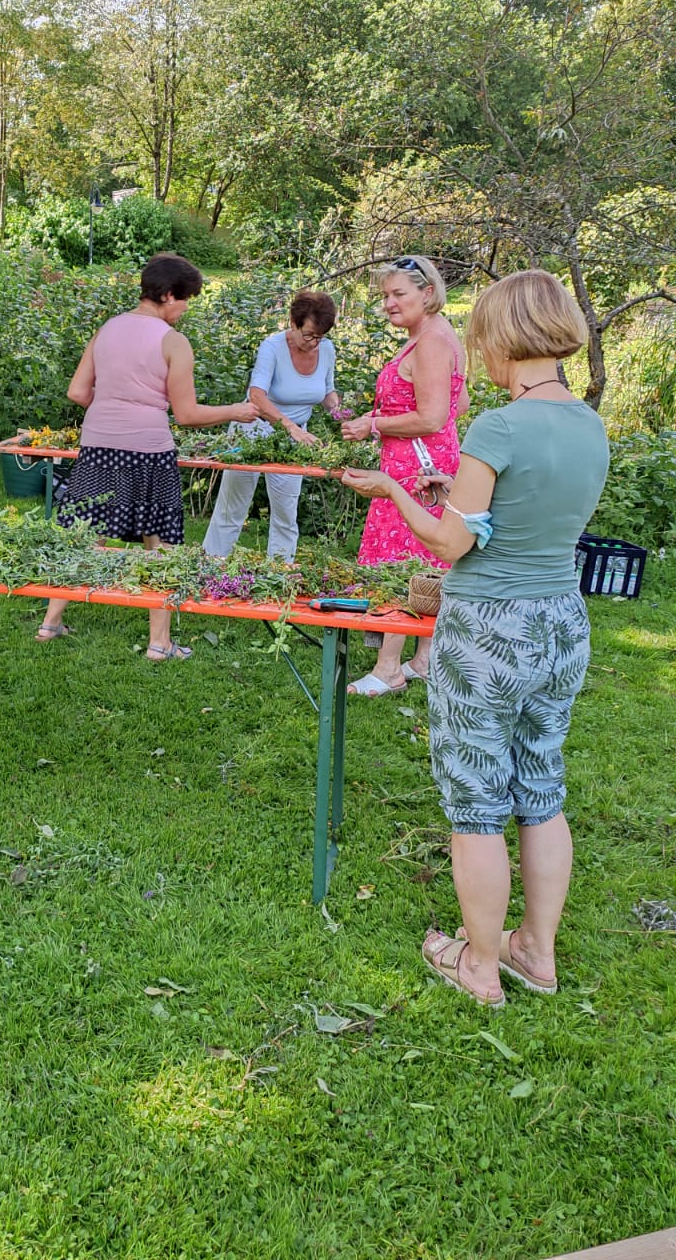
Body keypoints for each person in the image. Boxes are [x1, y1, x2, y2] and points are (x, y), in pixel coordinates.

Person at [340, 270, 609, 1007]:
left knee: (477, 805)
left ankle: (480, 965)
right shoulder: (589, 422)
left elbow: (453, 544)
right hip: (561, 620)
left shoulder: (500, 426)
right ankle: (537, 953)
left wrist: (393, 489)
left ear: (502, 336)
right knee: (541, 788)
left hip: (491, 626)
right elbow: (527, 513)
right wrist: (453, 489)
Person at [36, 252, 257, 660]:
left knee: (86, 535)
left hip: (98, 445)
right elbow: (187, 414)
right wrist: (235, 411)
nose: (186, 309)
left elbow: (78, 393)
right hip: (149, 452)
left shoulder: (108, 329)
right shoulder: (173, 342)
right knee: (161, 544)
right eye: (186, 299)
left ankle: (49, 624)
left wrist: (114, 412)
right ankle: (159, 644)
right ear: (169, 295)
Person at [340, 255, 467, 696]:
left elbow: (432, 416)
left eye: (398, 294)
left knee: (402, 559)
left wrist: (374, 424)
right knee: (427, 557)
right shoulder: (439, 334)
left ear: (427, 293)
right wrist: (386, 419)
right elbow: (458, 407)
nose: (389, 304)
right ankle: (425, 659)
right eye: (385, 296)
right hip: (431, 459)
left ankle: (389, 667)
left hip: (415, 469)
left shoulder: (430, 342)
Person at [202, 289, 341, 561]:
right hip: (253, 429)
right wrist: (290, 428)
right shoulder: (273, 347)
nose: (314, 343)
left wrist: (340, 414)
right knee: (232, 510)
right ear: (293, 323)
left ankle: (279, 576)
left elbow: (327, 392)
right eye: (309, 335)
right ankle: (209, 568)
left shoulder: (326, 349)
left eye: (320, 336)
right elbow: (256, 396)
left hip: (294, 437)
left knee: (286, 513)